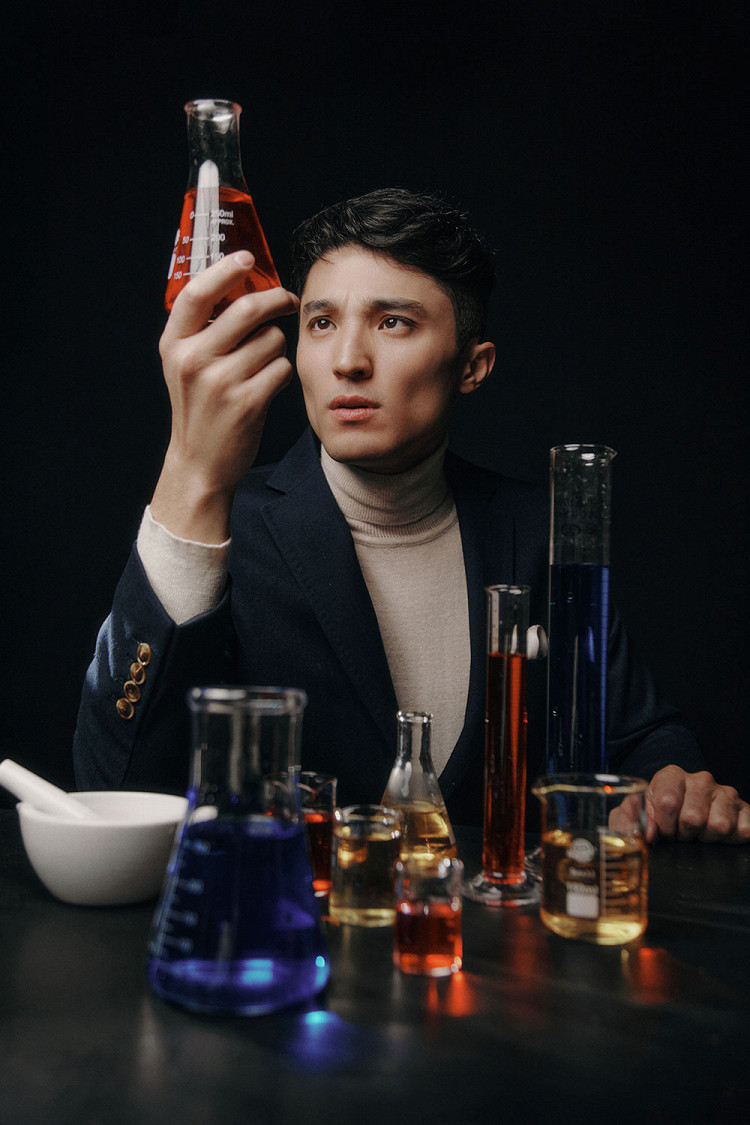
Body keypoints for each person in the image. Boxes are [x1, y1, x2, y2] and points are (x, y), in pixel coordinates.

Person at [73, 188, 750, 843]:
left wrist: (674, 785)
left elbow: (639, 737)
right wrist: (190, 477)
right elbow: (115, 783)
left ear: (473, 367)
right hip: (296, 918)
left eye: (393, 322)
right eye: (321, 323)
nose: (348, 361)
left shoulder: (535, 529)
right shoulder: (220, 525)